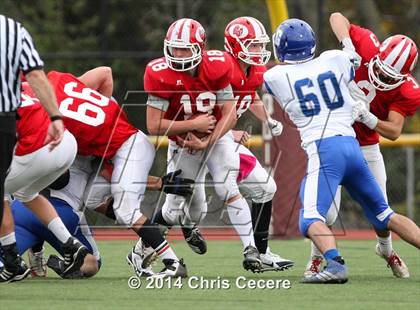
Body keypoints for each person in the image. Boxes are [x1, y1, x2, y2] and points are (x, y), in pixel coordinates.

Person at [264, 18, 420, 283]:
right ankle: (318, 259)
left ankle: (335, 264)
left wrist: (370, 119)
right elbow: (339, 28)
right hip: (351, 146)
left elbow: (269, 77)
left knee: (310, 217)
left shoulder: (274, 76)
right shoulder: (335, 58)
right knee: (385, 213)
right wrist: (348, 48)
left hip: (327, 150)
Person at [22, 67, 188, 278]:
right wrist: (106, 106)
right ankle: (150, 234)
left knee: (125, 210)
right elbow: (105, 73)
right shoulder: (58, 79)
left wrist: (157, 183)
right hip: (105, 148)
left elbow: (71, 177)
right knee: (92, 200)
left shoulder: (43, 119)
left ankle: (172, 263)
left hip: (126, 146)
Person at [145, 18, 268, 272]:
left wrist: (211, 138)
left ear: (200, 48)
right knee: (179, 208)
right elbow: (154, 125)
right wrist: (194, 126)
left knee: (227, 186)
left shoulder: (218, 66)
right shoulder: (159, 73)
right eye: (174, 48)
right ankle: (146, 247)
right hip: (184, 144)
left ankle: (251, 249)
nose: (178, 55)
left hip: (215, 137)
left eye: (184, 48)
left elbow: (230, 111)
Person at [213, 16, 293, 272]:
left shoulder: (254, 70)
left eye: (260, 45)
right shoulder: (221, 68)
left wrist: (268, 120)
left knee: (266, 187)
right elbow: (207, 107)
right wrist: (228, 132)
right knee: (180, 208)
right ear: (234, 46)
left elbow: (250, 94)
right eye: (252, 45)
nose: (258, 51)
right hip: (203, 140)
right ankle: (146, 246)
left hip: (223, 141)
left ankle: (262, 252)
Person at [0, 14, 65, 283]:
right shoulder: (13, 30)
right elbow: (36, 75)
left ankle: (11, 259)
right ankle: (11, 258)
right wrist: (55, 116)